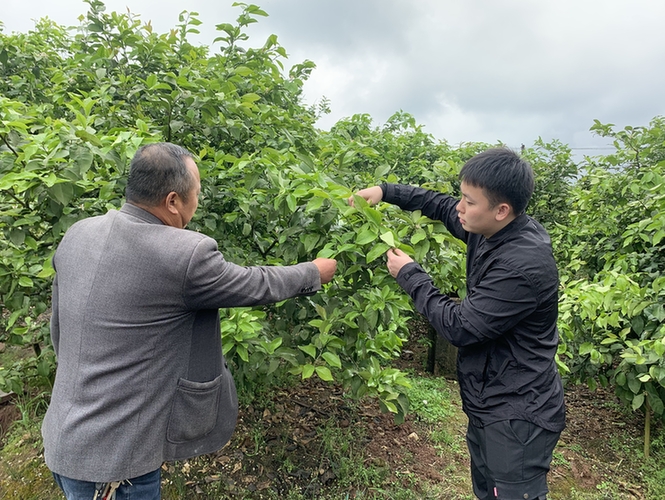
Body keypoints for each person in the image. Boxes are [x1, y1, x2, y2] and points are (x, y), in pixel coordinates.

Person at [42, 142, 337, 499]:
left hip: (62, 440)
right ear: (172, 201)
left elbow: (60, 331)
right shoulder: (184, 253)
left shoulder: (78, 234)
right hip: (115, 466)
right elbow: (256, 283)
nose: (198, 201)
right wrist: (313, 273)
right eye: (196, 193)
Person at [350, 147, 565, 500]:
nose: (459, 208)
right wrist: (386, 192)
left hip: (517, 412)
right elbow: (437, 203)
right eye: (461, 197)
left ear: (501, 210)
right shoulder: (491, 229)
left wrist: (410, 275)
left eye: (468, 201)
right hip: (489, 398)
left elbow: (460, 327)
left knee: (511, 493)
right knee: (486, 489)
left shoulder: (521, 267)